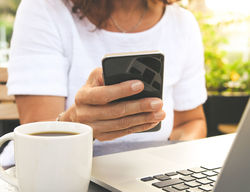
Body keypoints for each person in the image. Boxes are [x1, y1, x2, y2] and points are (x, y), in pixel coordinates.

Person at [3, 0, 207, 160]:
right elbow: (38, 146)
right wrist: (74, 123)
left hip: (148, 182)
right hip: (66, 180)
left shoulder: (182, 23)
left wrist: (173, 168)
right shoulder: (44, 9)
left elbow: (190, 122)